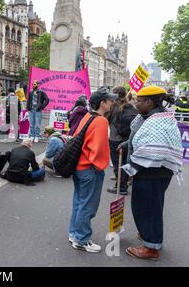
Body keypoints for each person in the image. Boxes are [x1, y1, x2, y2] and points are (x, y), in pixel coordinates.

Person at [121, 86, 183, 260]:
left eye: (139, 101)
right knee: (151, 207)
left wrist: (132, 166)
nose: (135, 103)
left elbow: (153, 149)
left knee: (147, 208)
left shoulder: (158, 120)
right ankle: (148, 233)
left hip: (151, 173)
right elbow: (140, 136)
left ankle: (151, 247)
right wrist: (127, 144)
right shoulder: (151, 116)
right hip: (153, 174)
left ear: (149, 102)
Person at [69, 87, 117, 253]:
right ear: (102, 103)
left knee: (79, 202)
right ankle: (82, 239)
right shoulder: (102, 121)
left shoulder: (87, 116)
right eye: (110, 100)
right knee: (88, 205)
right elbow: (99, 150)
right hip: (89, 168)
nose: (112, 102)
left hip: (79, 166)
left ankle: (74, 233)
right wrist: (100, 166)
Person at [106, 86, 138, 195]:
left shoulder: (115, 107)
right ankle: (123, 181)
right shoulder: (129, 106)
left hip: (115, 139)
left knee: (118, 164)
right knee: (125, 162)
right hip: (127, 139)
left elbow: (107, 119)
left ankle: (121, 187)